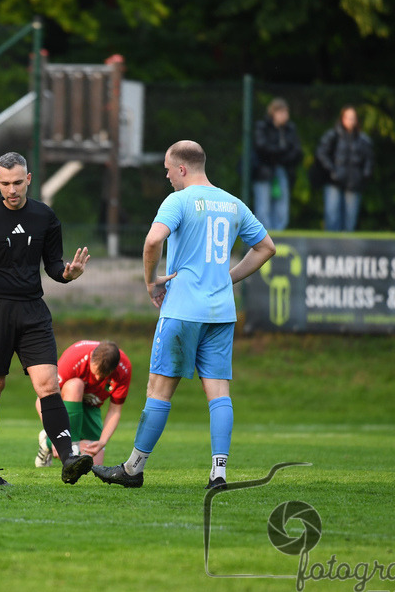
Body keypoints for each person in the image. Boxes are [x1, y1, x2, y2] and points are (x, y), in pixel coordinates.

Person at [93, 140, 275, 489]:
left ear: (182, 169)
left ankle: (133, 469)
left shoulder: (178, 200)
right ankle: (219, 472)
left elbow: (151, 241)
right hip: (221, 312)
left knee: (159, 390)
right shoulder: (232, 203)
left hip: (182, 310)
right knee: (219, 392)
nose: (166, 175)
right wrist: (228, 277)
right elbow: (267, 247)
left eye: (167, 168)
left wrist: (151, 282)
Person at [0, 151, 93, 486]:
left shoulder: (45, 217)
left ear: (29, 179)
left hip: (33, 310)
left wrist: (67, 273)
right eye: (5, 183)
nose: (12, 189)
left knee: (49, 383)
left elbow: (53, 265)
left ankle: (68, 458)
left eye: (18, 182)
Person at [34, 340, 132, 467]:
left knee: (93, 467)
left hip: (92, 406)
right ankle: (70, 446)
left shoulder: (124, 369)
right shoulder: (73, 358)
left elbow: (115, 411)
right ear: (91, 357)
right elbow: (42, 400)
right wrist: (55, 434)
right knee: (75, 385)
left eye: (103, 376)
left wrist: (102, 442)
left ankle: (45, 443)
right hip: (68, 403)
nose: (97, 379)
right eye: (95, 373)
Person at [316, 105, 374, 232]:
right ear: (342, 118)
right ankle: (329, 248)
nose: (350, 121)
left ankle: (347, 248)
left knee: (350, 219)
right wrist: (331, 171)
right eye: (348, 117)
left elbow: (369, 159)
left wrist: (364, 176)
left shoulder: (363, 139)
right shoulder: (332, 136)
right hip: (333, 181)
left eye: (353, 118)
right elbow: (321, 153)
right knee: (332, 216)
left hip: (353, 183)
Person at [252, 98, 302, 231]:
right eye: (281, 112)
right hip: (264, 171)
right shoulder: (262, 126)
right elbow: (262, 147)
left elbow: (296, 150)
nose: (284, 116)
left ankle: (279, 234)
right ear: (273, 112)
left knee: (281, 205)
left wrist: (280, 155)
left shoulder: (290, 129)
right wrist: (280, 151)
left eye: (286, 112)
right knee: (263, 205)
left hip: (282, 170)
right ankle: (264, 236)